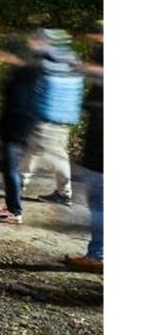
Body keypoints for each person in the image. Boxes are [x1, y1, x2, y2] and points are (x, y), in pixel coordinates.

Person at [22, 29, 83, 206]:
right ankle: (63, 192)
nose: (30, 43)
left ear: (43, 42)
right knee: (51, 154)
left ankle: (16, 191)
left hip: (47, 117)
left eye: (33, 40)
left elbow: (40, 90)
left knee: (39, 152)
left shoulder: (47, 62)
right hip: (64, 117)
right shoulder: (70, 58)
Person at [0, 37, 41, 225]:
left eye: (3, 52)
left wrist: (9, 133)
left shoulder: (22, 76)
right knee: (11, 170)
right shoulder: (24, 73)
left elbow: (18, 107)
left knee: (10, 170)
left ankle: (14, 210)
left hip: (15, 131)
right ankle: (12, 206)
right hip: (18, 130)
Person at [66, 23, 103, 274]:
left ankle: (97, 256)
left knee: (100, 204)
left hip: (101, 155)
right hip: (97, 151)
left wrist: (83, 68)